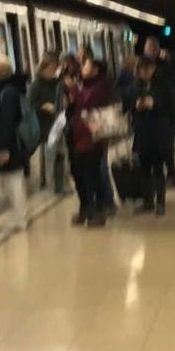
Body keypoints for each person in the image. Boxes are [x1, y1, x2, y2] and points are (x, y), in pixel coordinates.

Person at [67, 59, 115, 227]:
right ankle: (86, 208)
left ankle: (99, 211)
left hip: (93, 138)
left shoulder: (101, 87)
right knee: (79, 174)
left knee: (92, 175)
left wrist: (73, 89)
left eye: (85, 66)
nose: (82, 68)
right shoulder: (82, 86)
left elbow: (87, 103)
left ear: (95, 70)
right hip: (78, 136)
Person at [129, 56, 175, 216]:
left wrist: (154, 104)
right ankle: (148, 201)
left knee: (158, 169)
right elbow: (129, 98)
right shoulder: (138, 84)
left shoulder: (163, 83)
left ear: (151, 68)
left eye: (143, 70)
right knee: (144, 169)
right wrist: (136, 105)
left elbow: (172, 106)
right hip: (142, 131)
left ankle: (161, 203)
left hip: (158, 131)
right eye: (139, 71)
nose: (141, 74)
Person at [0, 55, 30, 232]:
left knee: (13, 182)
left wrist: (4, 149)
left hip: (11, 145)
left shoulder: (7, 93)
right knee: (12, 181)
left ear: (0, 72)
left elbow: (7, 121)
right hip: (12, 144)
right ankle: (18, 216)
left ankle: (20, 218)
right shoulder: (9, 90)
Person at [143, 36, 175, 188]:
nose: (151, 50)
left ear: (158, 49)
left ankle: (171, 175)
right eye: (148, 47)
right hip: (148, 117)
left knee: (167, 149)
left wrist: (173, 116)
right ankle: (156, 180)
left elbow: (173, 92)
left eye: (153, 47)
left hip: (165, 115)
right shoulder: (141, 66)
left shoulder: (166, 67)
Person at [28, 53, 63, 193]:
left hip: (58, 123)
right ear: (42, 69)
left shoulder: (57, 83)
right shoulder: (37, 84)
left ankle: (60, 186)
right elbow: (29, 103)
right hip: (44, 125)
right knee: (50, 157)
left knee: (60, 155)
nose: (52, 72)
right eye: (50, 69)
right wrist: (43, 106)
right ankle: (51, 185)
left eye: (54, 69)